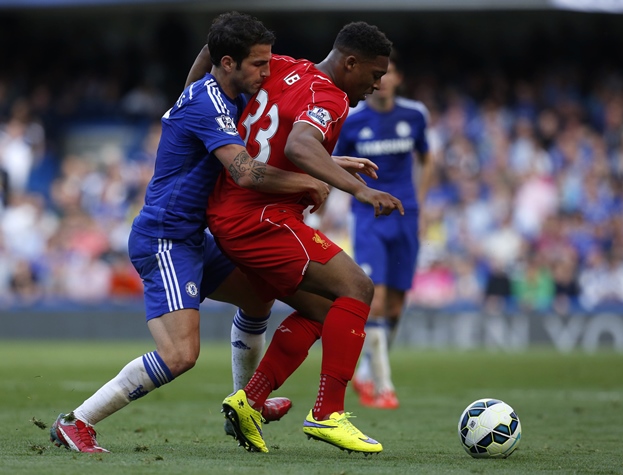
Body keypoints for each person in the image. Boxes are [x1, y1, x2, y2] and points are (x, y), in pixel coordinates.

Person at [49, 12, 333, 454]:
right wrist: (308, 181)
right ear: (227, 62)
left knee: (259, 295)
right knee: (181, 355)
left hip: (192, 237)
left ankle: (246, 404)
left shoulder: (219, 88)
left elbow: (206, 58)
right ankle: (76, 421)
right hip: (164, 239)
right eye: (258, 63)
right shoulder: (210, 104)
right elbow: (245, 173)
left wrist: (331, 166)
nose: (267, 71)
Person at [198, 21, 402, 455]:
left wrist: (190, 91)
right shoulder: (331, 96)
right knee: (358, 287)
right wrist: (362, 191)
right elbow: (299, 147)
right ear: (350, 63)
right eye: (374, 73)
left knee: (328, 309)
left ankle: (249, 402)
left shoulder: (284, 67)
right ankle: (328, 414)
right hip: (261, 216)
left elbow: (212, 53)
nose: (378, 83)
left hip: (233, 212)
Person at [331, 52, 432, 409]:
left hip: (406, 215)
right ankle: (384, 385)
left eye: (388, 73)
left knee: (396, 304)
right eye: (378, 75)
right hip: (369, 215)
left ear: (398, 78)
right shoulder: (354, 122)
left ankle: (365, 373)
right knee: (376, 296)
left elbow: (426, 157)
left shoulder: (415, 115)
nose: (383, 80)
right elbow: (334, 163)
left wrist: (419, 199)